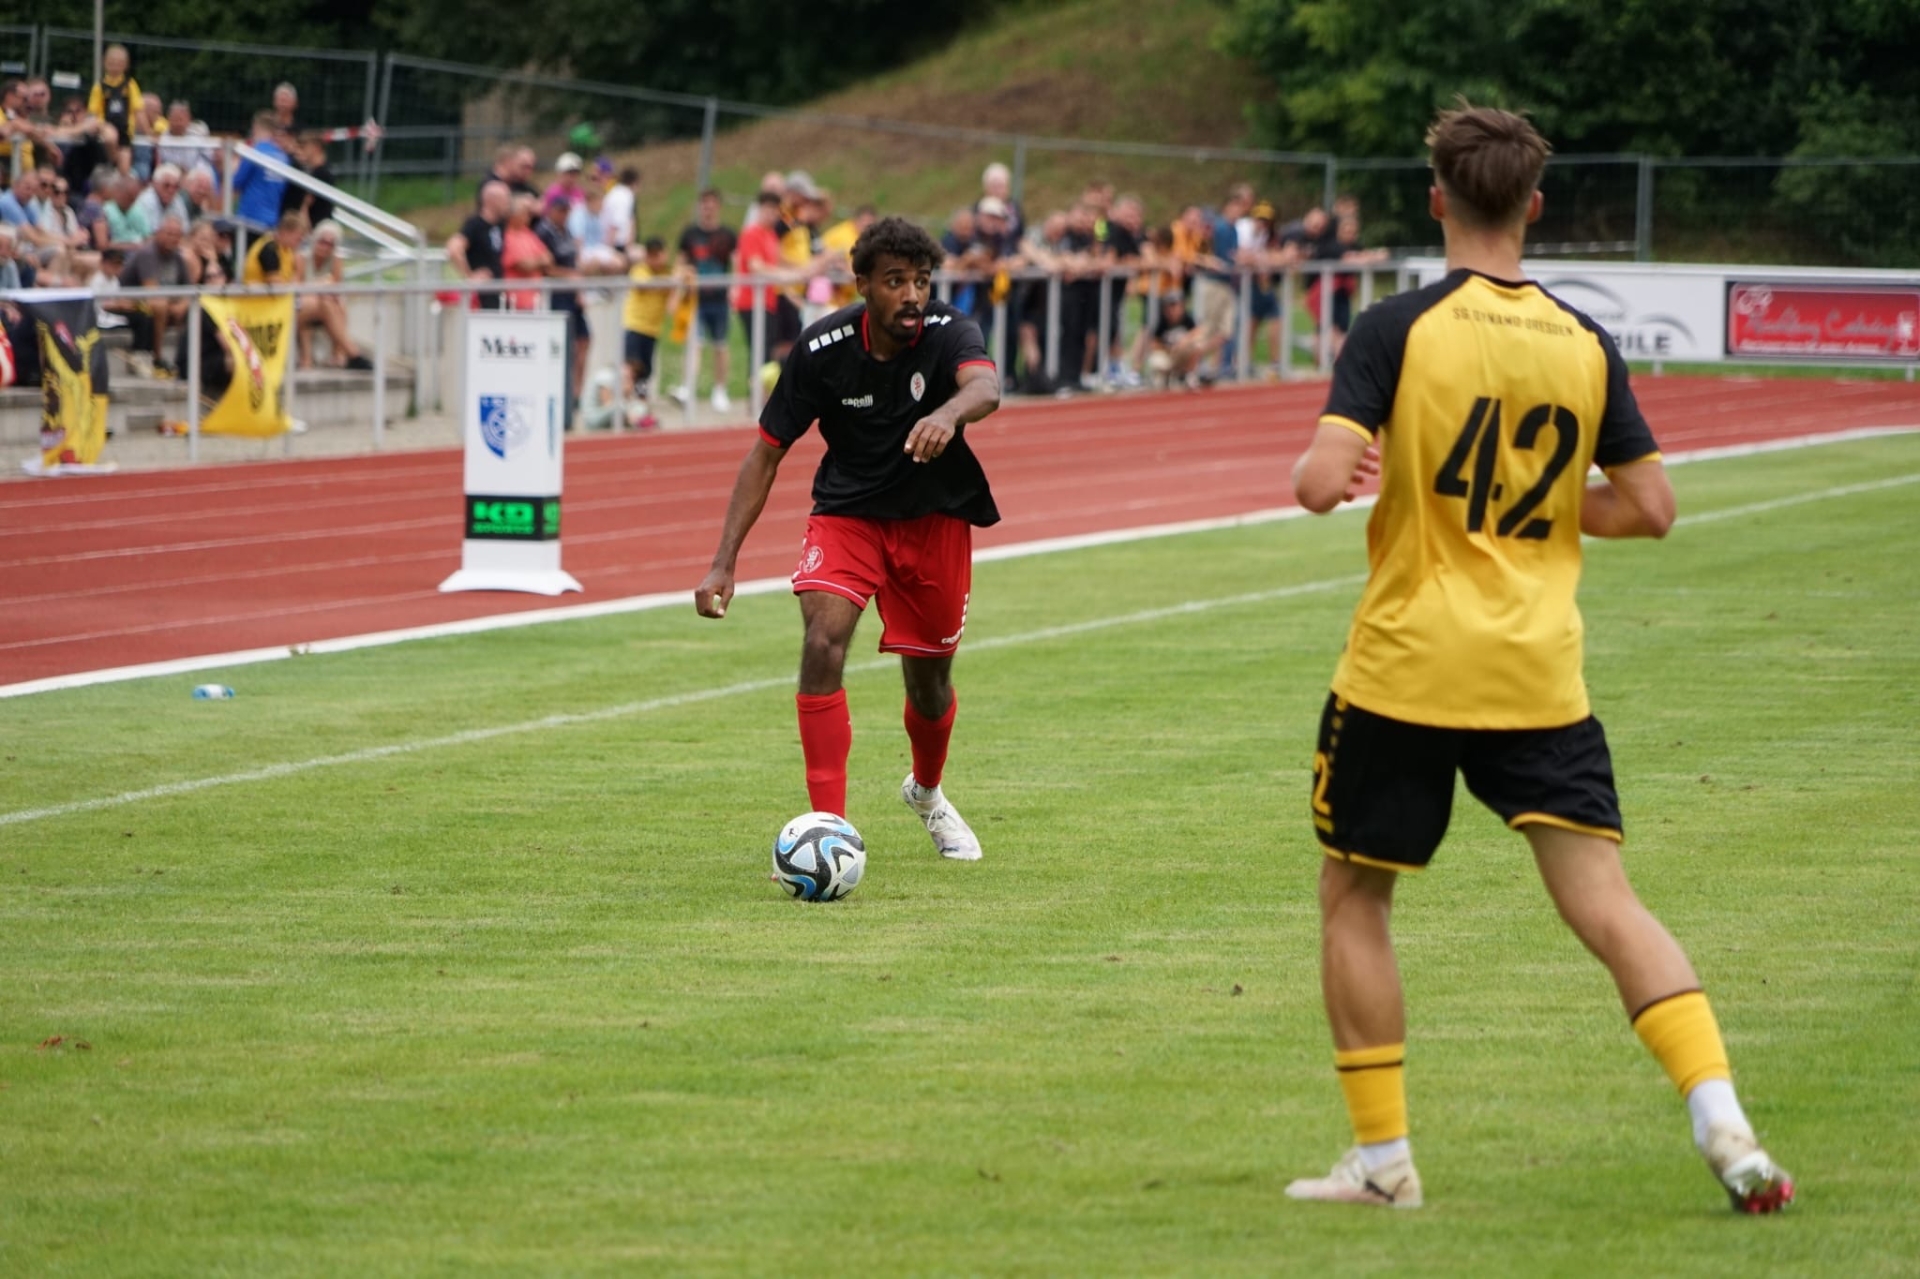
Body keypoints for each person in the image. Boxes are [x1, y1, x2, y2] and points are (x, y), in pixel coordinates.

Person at [1283, 102, 1794, 1215]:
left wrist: (1345, 468)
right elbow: (1651, 507)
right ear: (1535, 205)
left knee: (1354, 894)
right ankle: (1725, 1121)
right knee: (1606, 901)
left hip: (1408, 665)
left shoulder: (1397, 327)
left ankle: (1383, 1160)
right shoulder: (1583, 340)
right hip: (1537, 672)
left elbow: (1319, 485)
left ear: (1436, 199)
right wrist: (1553, 503)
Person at [693, 216, 1003, 860]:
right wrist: (724, 562)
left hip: (934, 520)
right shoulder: (822, 349)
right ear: (862, 283)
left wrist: (947, 414)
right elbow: (766, 453)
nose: (912, 295)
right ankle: (826, 831)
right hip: (848, 516)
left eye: (921, 281)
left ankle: (926, 791)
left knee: (929, 688)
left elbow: (985, 386)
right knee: (822, 641)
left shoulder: (950, 330)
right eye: (896, 281)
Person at [674, 188, 738, 413]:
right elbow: (680, 262)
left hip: (719, 298)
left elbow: (736, 262)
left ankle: (720, 389)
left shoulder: (727, 234)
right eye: (704, 204)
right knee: (695, 343)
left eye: (712, 205)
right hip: (695, 298)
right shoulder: (690, 234)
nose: (708, 209)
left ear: (718, 207)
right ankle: (687, 387)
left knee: (721, 345)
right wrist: (678, 287)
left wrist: (735, 288)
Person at [119, 214, 196, 378]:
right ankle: (157, 357)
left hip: (165, 303)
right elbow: (151, 291)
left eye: (177, 235)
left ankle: (185, 361)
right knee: (160, 305)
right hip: (131, 302)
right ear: (158, 233)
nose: (173, 239)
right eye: (169, 234)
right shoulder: (148, 254)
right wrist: (174, 305)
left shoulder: (178, 258)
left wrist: (182, 305)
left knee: (194, 308)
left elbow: (189, 290)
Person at [297, 220, 374, 371]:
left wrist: (321, 289)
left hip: (322, 304)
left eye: (330, 244)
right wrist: (319, 286)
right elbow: (296, 289)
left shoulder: (336, 260)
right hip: (302, 306)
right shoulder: (302, 258)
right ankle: (352, 354)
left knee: (335, 303)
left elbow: (336, 288)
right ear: (315, 240)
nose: (325, 247)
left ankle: (341, 353)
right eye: (322, 241)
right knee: (326, 302)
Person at [621, 237, 673, 429]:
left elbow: (673, 303)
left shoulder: (666, 273)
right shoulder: (640, 270)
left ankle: (641, 411)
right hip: (635, 326)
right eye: (652, 256)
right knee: (630, 369)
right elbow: (645, 285)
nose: (656, 260)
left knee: (645, 373)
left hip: (652, 330)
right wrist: (672, 281)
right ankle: (626, 409)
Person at [447, 181, 510, 310]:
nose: (508, 204)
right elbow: (454, 248)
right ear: (492, 201)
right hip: (482, 297)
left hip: (498, 293)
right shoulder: (475, 224)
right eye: (505, 199)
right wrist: (470, 276)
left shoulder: (501, 224)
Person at [230, 112, 290, 232]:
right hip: (272, 218)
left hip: (250, 217)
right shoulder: (283, 157)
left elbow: (236, 182)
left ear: (256, 128)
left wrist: (233, 166)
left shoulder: (253, 153)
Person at [86, 44, 141, 145]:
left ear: (126, 65)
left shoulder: (130, 85)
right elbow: (93, 112)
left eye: (119, 64)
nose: (115, 67)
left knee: (124, 152)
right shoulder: (99, 87)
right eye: (111, 64)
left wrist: (147, 132)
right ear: (104, 63)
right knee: (110, 137)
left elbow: (138, 110)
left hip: (126, 131)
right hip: (104, 131)